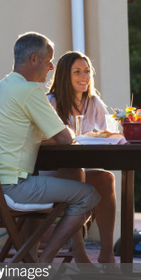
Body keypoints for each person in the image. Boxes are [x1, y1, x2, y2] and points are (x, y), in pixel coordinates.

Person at [0, 32, 101, 263]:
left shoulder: (5, 86)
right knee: (88, 194)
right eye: (49, 60)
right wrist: (60, 133)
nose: (51, 66)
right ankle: (42, 264)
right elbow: (65, 138)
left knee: (74, 180)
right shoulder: (30, 90)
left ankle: (32, 258)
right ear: (34, 59)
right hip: (12, 187)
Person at [46, 51, 117, 264]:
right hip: (49, 171)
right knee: (76, 173)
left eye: (86, 71)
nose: (84, 76)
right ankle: (79, 252)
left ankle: (107, 254)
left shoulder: (92, 102)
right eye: (77, 72)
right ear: (64, 76)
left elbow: (111, 131)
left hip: (76, 169)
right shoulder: (52, 101)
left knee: (106, 179)